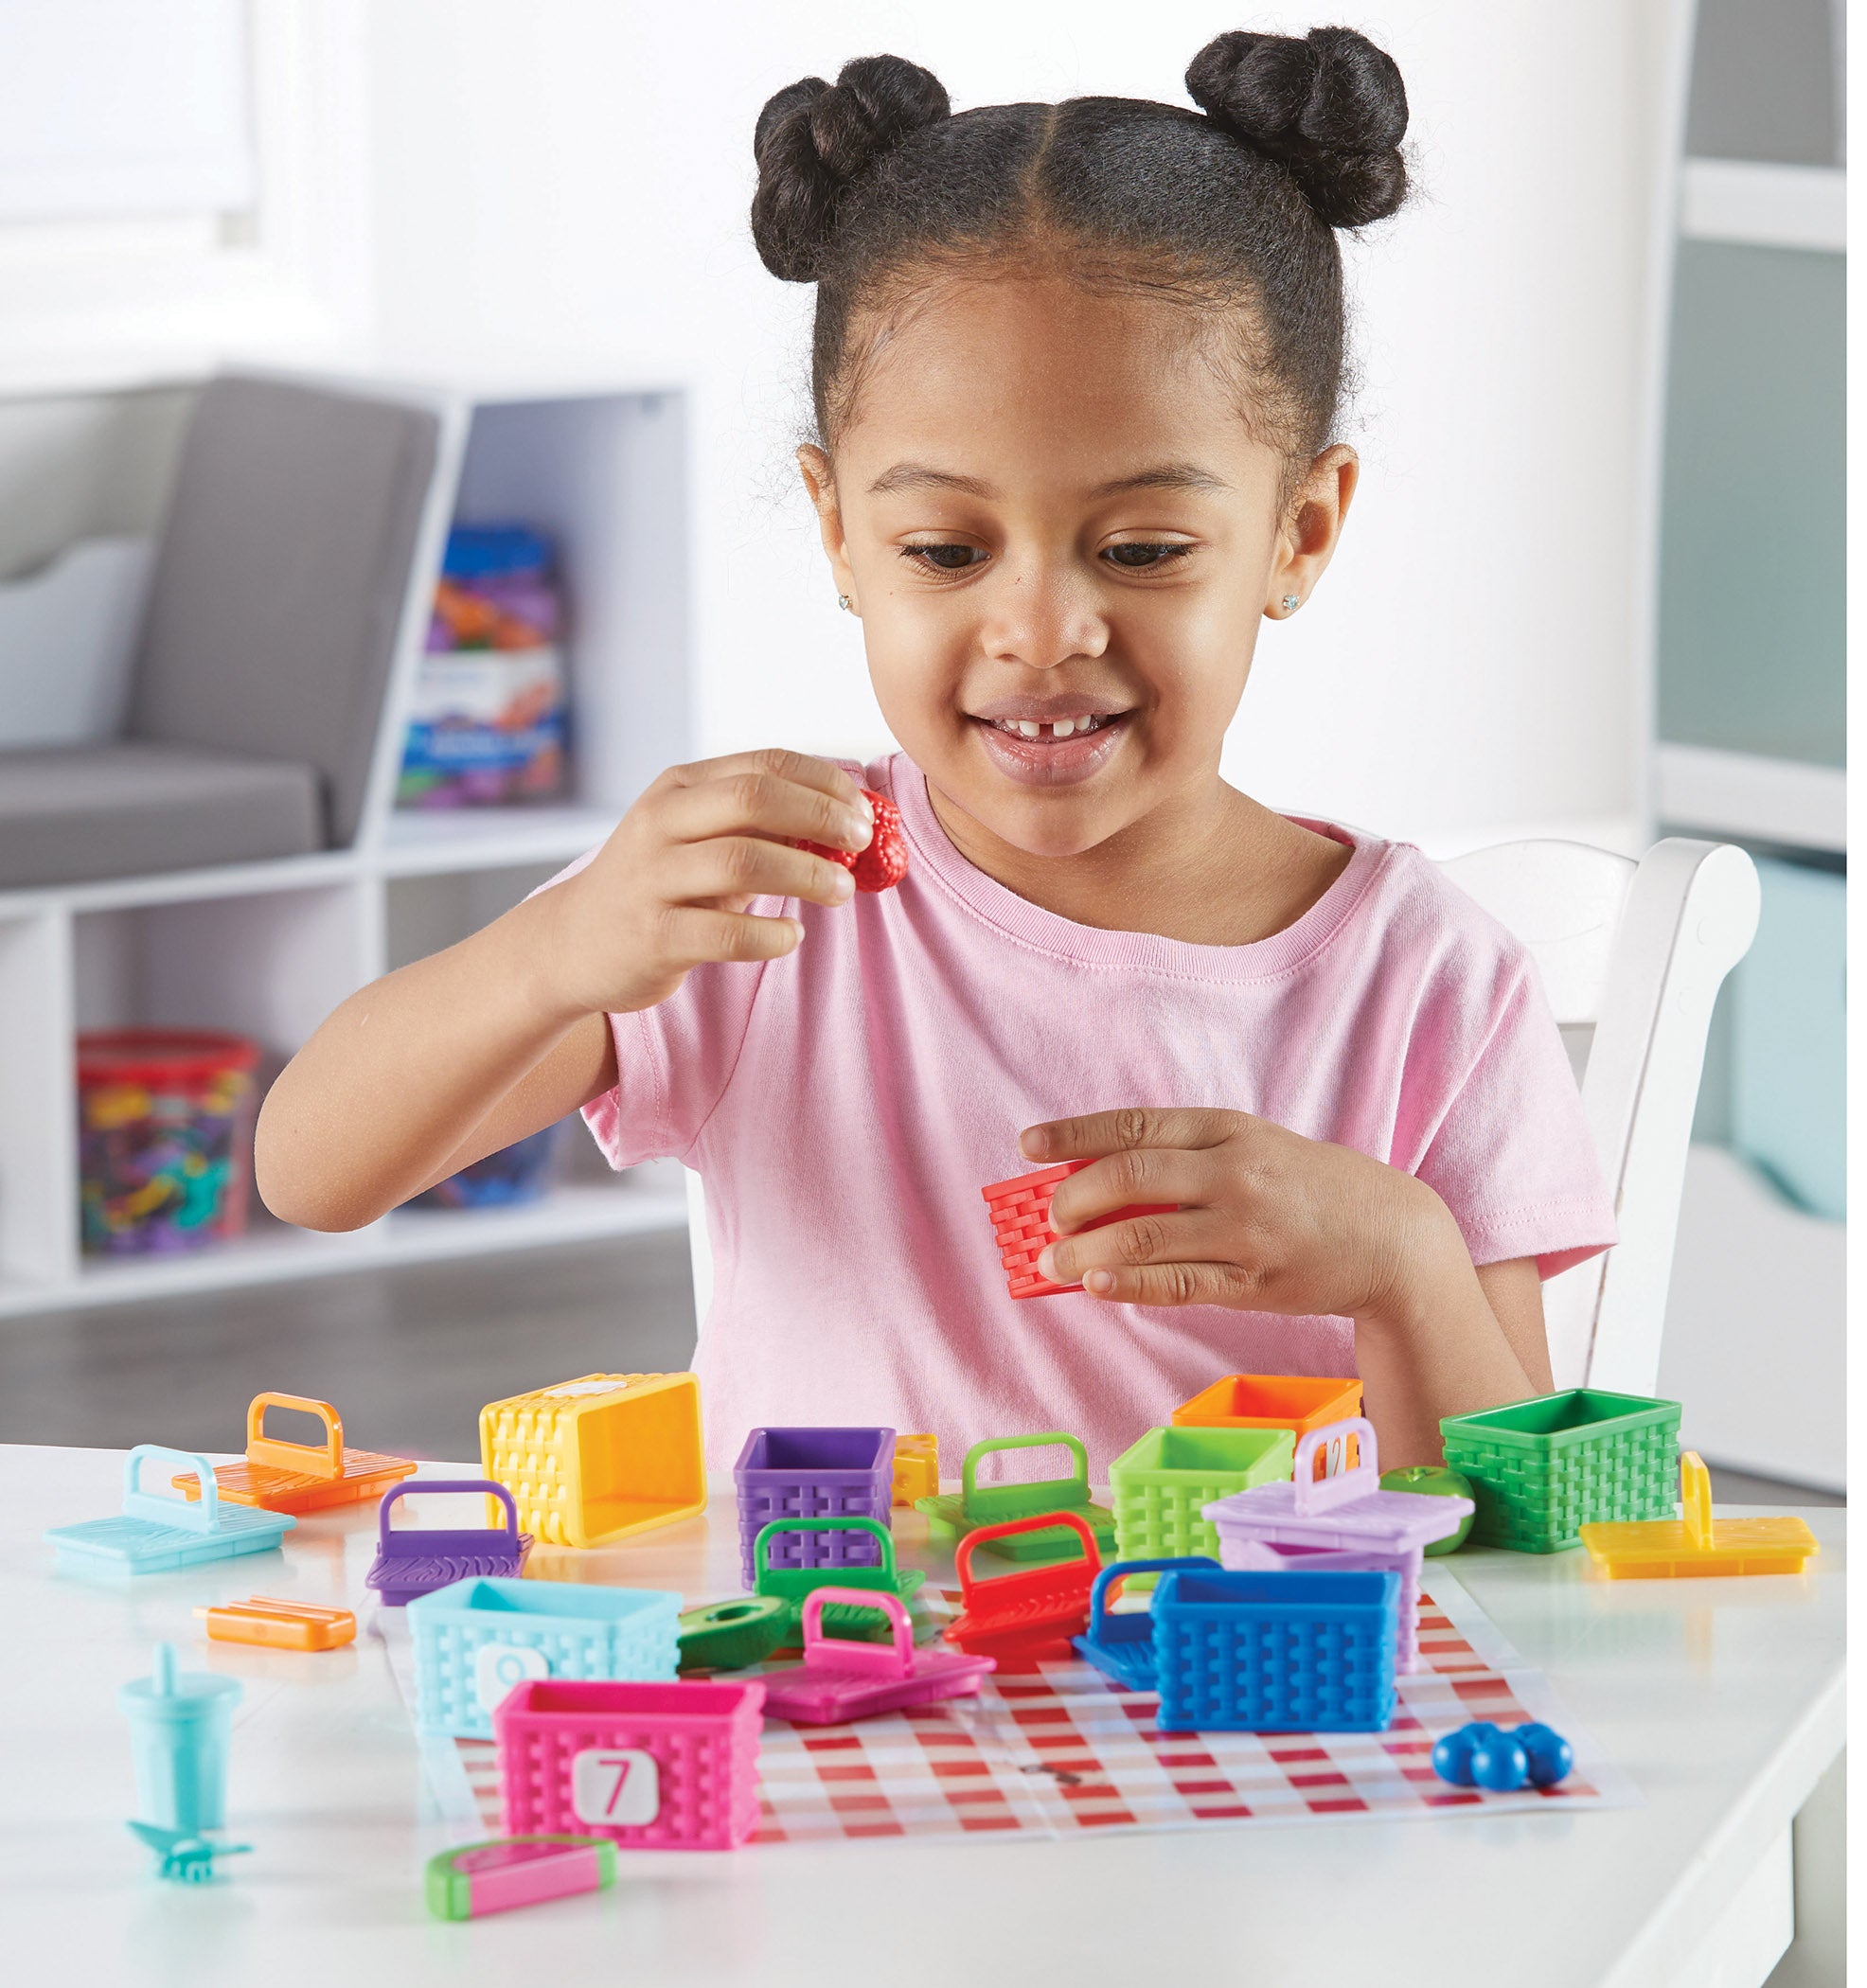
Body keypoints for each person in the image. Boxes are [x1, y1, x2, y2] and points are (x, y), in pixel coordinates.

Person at [257, 27, 1615, 1471]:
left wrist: (1400, 1260)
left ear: (1301, 531)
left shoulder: (1429, 984)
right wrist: (558, 947)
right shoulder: (775, 894)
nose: (1039, 629)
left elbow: (1510, 1546)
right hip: (832, 1677)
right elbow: (311, 1171)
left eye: (1144, 547)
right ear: (841, 533)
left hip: (1256, 1693)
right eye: (945, 547)